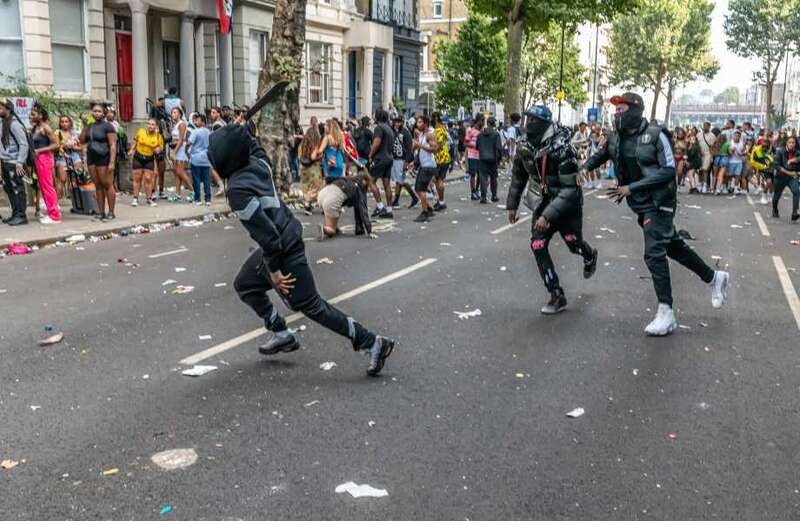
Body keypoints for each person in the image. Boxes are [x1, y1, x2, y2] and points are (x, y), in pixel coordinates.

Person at [208, 123, 395, 376]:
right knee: (245, 284)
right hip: (286, 236)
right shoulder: (258, 163)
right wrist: (240, 130)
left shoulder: (238, 191)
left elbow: (269, 237)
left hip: (282, 247)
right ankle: (281, 332)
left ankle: (372, 342)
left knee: (311, 305)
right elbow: (256, 146)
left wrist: (273, 271)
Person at [582, 92, 729, 336]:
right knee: (672, 246)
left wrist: (630, 188)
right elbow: (600, 156)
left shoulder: (656, 135)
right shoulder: (614, 137)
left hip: (660, 201)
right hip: (640, 204)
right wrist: (582, 169)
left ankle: (666, 311)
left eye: (622, 108)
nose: (618, 113)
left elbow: (668, 171)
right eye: (616, 109)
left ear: (635, 110)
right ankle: (715, 278)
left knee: (653, 253)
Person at [507, 106, 598, 314]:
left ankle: (589, 255)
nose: (528, 124)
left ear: (544, 124)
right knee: (537, 244)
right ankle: (556, 294)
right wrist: (512, 205)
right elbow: (518, 177)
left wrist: (548, 216)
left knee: (573, 244)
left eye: (533, 121)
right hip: (542, 201)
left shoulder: (564, 148)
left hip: (567, 206)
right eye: (527, 119)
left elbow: (570, 189)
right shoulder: (524, 146)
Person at [80, 103, 118, 221]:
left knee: (107, 184)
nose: (96, 113)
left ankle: (111, 212)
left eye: (99, 111)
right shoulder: (90, 126)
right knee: (98, 186)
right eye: (95, 111)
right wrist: (85, 125)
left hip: (104, 157)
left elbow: (112, 145)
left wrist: (112, 162)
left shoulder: (108, 126)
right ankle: (101, 212)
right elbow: (82, 140)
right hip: (92, 158)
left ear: (104, 113)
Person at [29, 103, 61, 224]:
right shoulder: (35, 128)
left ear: (40, 115)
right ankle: (50, 211)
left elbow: (56, 145)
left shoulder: (45, 127)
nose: (30, 116)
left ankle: (55, 216)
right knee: (42, 187)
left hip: (45, 158)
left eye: (33, 114)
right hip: (38, 159)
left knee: (47, 187)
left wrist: (39, 150)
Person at [0, 100, 29, 225]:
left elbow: (24, 144)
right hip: (6, 161)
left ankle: (21, 216)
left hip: (14, 163)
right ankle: (15, 214)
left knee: (17, 189)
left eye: (0, 107)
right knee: (9, 189)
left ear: (8, 108)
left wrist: (19, 163)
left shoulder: (14, 124)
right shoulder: (4, 123)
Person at [128, 117, 163, 207]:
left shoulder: (158, 136)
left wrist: (157, 149)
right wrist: (131, 150)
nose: (150, 126)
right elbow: (135, 142)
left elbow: (159, 149)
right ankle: (135, 198)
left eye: (153, 124)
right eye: (149, 124)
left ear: (156, 126)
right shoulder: (141, 131)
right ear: (147, 125)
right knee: (137, 178)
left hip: (149, 158)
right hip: (138, 157)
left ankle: (149, 199)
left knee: (148, 179)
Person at [368, 109, 395, 218]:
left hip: (380, 158)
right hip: (389, 158)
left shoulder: (379, 128)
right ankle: (389, 209)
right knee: (387, 184)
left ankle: (380, 207)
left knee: (371, 181)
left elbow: (376, 143)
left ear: (377, 117)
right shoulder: (389, 129)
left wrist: (370, 154)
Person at [412, 115, 440, 222]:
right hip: (424, 165)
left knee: (420, 189)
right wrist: (413, 163)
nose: (417, 124)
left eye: (419, 122)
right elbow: (420, 150)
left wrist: (420, 146)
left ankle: (425, 212)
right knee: (418, 189)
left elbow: (434, 148)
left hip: (429, 166)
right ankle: (429, 208)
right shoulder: (422, 135)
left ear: (425, 123)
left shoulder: (429, 135)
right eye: (417, 122)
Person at [390, 114, 419, 208]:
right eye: (396, 121)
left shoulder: (406, 133)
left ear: (402, 122)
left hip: (401, 159)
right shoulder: (393, 131)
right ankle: (397, 200)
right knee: (399, 180)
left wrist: (406, 161)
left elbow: (409, 148)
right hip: (394, 158)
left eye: (399, 122)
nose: (397, 124)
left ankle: (413, 197)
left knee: (401, 180)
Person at [772, 135, 800, 221]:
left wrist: (796, 160)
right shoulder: (780, 152)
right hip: (781, 177)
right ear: (786, 143)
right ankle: (775, 209)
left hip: (792, 178)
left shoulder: (798, 153)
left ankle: (795, 212)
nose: (791, 144)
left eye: (793, 142)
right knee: (777, 196)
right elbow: (776, 165)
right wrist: (789, 172)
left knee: (796, 192)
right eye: (790, 142)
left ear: (795, 144)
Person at [476, 116, 503, 204]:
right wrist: (499, 159)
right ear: (494, 124)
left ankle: (483, 197)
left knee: (483, 178)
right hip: (493, 159)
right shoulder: (496, 134)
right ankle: (494, 195)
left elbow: (477, 147)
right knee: (493, 178)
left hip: (482, 158)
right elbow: (499, 148)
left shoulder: (480, 135)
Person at [54, 115, 82, 199]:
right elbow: (55, 147)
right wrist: (63, 147)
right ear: (59, 123)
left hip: (74, 156)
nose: (64, 123)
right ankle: (55, 204)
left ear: (70, 123)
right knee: (62, 179)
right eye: (62, 121)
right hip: (62, 157)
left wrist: (73, 147)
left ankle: (77, 201)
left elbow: (80, 148)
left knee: (77, 178)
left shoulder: (74, 133)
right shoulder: (57, 133)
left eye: (66, 121)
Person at [169, 107, 193, 201]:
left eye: (175, 112)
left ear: (180, 114)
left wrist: (174, 151)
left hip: (180, 149)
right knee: (176, 172)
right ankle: (177, 194)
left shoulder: (182, 124)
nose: (173, 114)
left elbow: (182, 139)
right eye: (172, 112)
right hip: (175, 148)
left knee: (180, 171)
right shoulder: (175, 124)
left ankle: (193, 191)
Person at [188, 113, 212, 205]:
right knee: (206, 179)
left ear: (202, 122)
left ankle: (197, 199)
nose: (195, 122)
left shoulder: (196, 131)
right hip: (206, 159)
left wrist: (187, 151)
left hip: (196, 159)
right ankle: (208, 199)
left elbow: (189, 142)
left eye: (197, 120)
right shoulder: (208, 132)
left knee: (196, 179)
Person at [298, 125, 323, 214]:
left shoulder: (302, 144)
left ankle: (307, 204)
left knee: (306, 186)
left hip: (303, 168)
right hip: (313, 168)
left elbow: (299, 155)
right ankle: (308, 204)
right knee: (315, 186)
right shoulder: (315, 144)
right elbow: (313, 157)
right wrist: (320, 156)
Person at [431, 112, 451, 211]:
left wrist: (429, 148)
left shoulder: (438, 130)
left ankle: (441, 201)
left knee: (438, 180)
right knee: (437, 180)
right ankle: (440, 201)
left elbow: (437, 146)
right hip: (445, 157)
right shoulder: (444, 128)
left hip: (440, 158)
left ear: (435, 119)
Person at [750, 137, 774, 205]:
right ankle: (763, 196)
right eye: (763, 146)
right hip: (762, 169)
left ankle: (770, 195)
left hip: (771, 169)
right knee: (769, 182)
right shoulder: (756, 150)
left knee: (772, 184)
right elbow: (752, 161)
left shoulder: (772, 149)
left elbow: (775, 158)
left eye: (766, 146)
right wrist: (762, 167)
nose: (764, 148)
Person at [465, 115, 484, 200]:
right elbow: (465, 143)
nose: (483, 123)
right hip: (472, 155)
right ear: (478, 121)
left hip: (481, 156)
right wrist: (475, 145)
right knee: (473, 174)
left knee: (480, 174)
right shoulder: (470, 131)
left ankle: (477, 190)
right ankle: (473, 192)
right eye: (482, 121)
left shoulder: (483, 132)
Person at [697, 122, 715, 194]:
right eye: (704, 126)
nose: (705, 127)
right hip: (699, 154)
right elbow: (696, 144)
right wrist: (699, 152)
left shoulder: (712, 136)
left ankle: (705, 185)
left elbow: (713, 147)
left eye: (707, 126)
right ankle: (700, 184)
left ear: (709, 127)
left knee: (705, 170)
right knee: (700, 170)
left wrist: (711, 156)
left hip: (708, 154)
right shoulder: (698, 135)